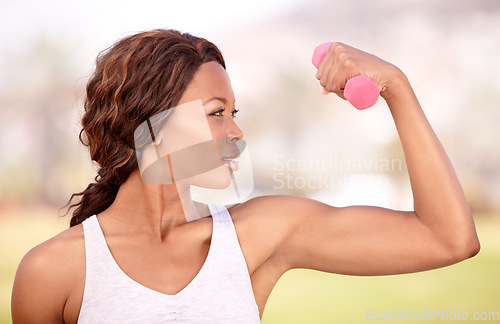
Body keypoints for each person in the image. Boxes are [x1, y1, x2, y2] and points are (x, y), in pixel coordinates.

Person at [11, 29, 480, 324]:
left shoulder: (257, 235)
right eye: (217, 113)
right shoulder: (53, 272)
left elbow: (447, 239)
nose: (236, 131)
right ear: (149, 124)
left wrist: (395, 86)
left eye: (235, 112)